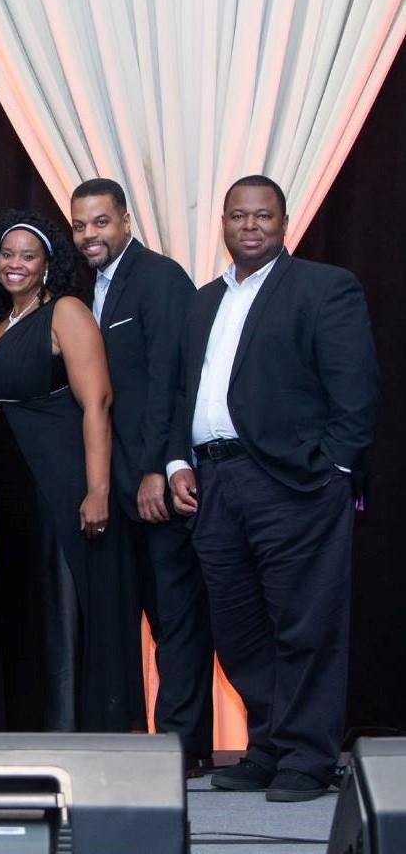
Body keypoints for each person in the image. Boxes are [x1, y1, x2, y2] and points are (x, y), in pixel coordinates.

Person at [167, 175, 377, 802]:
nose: (250, 225)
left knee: (304, 624)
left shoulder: (323, 287)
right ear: (224, 225)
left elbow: (356, 390)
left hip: (295, 483)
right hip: (214, 483)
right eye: (239, 216)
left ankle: (307, 757)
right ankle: (268, 745)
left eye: (263, 216)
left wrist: (335, 471)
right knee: (238, 629)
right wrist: (177, 462)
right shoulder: (202, 302)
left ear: (285, 223)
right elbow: (183, 392)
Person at [0, 210, 143, 732]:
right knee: (24, 615)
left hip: (59, 485)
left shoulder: (65, 311)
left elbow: (97, 402)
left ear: (47, 264)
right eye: (7, 254)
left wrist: (98, 490)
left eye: (28, 255)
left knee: (62, 611)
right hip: (9, 492)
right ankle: (27, 732)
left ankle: (70, 732)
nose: (15, 264)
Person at [70, 178, 213, 770]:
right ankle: (140, 740)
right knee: (131, 619)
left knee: (176, 618)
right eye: (80, 225)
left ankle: (184, 748)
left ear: (126, 221)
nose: (89, 235)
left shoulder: (160, 278)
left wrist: (159, 467)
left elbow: (172, 381)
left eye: (100, 222)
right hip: (115, 486)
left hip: (153, 482)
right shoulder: (89, 287)